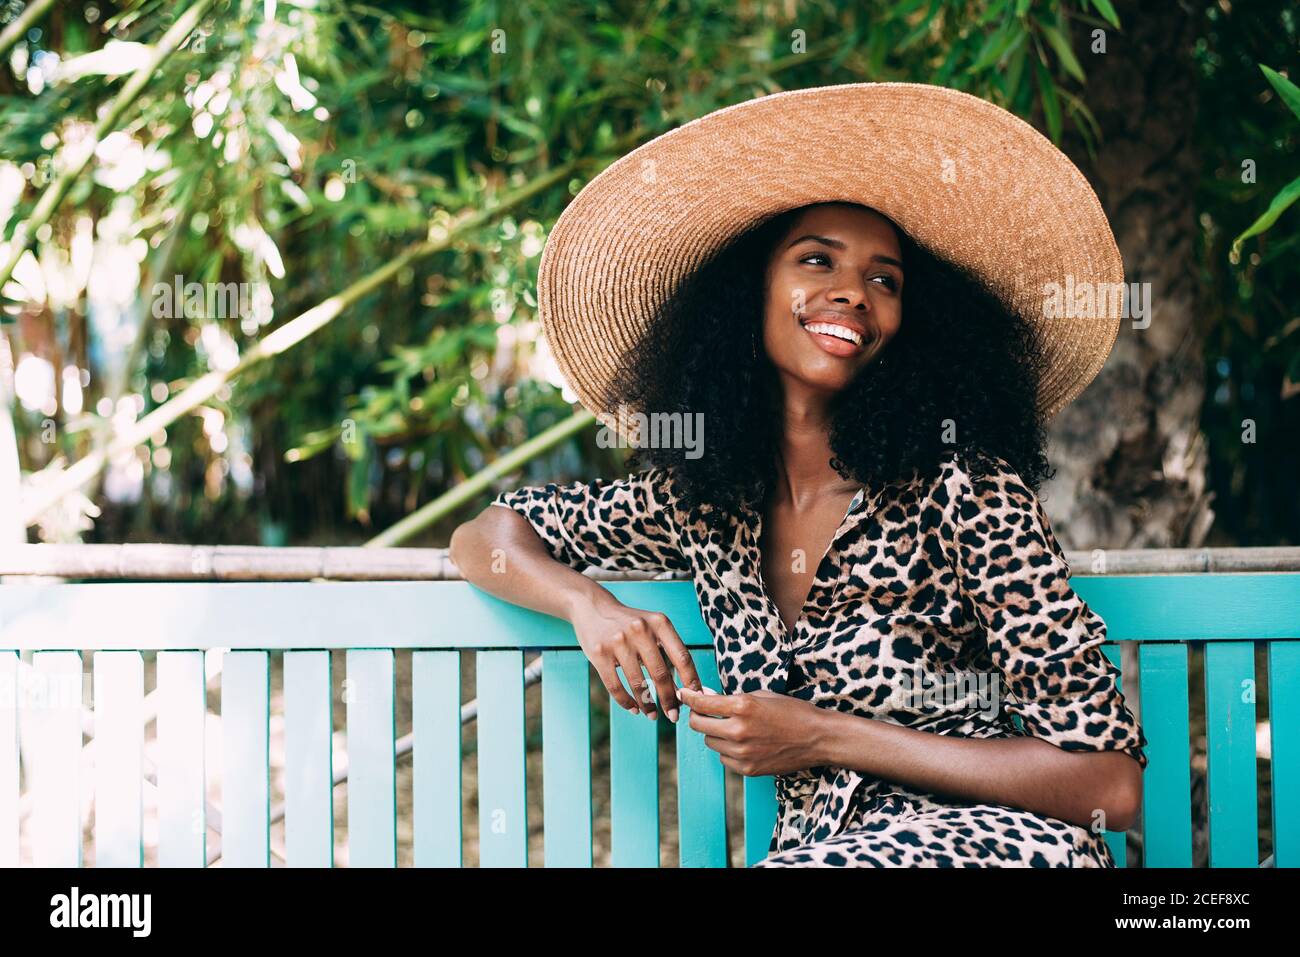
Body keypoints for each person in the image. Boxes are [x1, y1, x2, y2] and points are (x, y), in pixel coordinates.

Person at [450, 83, 1148, 867]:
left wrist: (822, 734)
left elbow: (1111, 785)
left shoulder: (964, 488)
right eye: (817, 258)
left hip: (999, 846)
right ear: (744, 293)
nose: (853, 291)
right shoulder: (707, 501)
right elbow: (486, 536)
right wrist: (588, 604)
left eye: (886, 280)